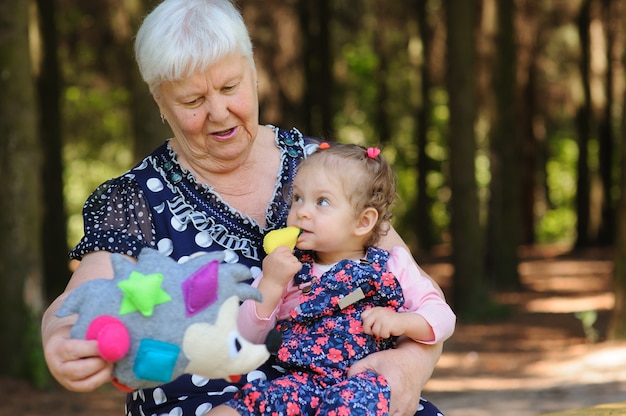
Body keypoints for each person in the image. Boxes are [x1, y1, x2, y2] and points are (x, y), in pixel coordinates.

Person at [40, 0, 448, 415]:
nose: (218, 112)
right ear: (159, 101)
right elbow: (86, 293)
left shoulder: (327, 167)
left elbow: (412, 286)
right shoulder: (134, 198)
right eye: (193, 100)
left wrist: (409, 366)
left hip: (349, 399)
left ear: (253, 73)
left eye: (230, 87)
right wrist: (61, 336)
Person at [211, 144, 456, 415]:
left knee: (347, 407)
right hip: (302, 383)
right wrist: (270, 284)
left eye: (322, 202)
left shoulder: (391, 264)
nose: (302, 211)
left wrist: (403, 322)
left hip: (365, 383)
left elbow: (442, 317)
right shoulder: (289, 270)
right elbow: (246, 337)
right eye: (297, 198)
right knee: (244, 406)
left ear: (363, 221)